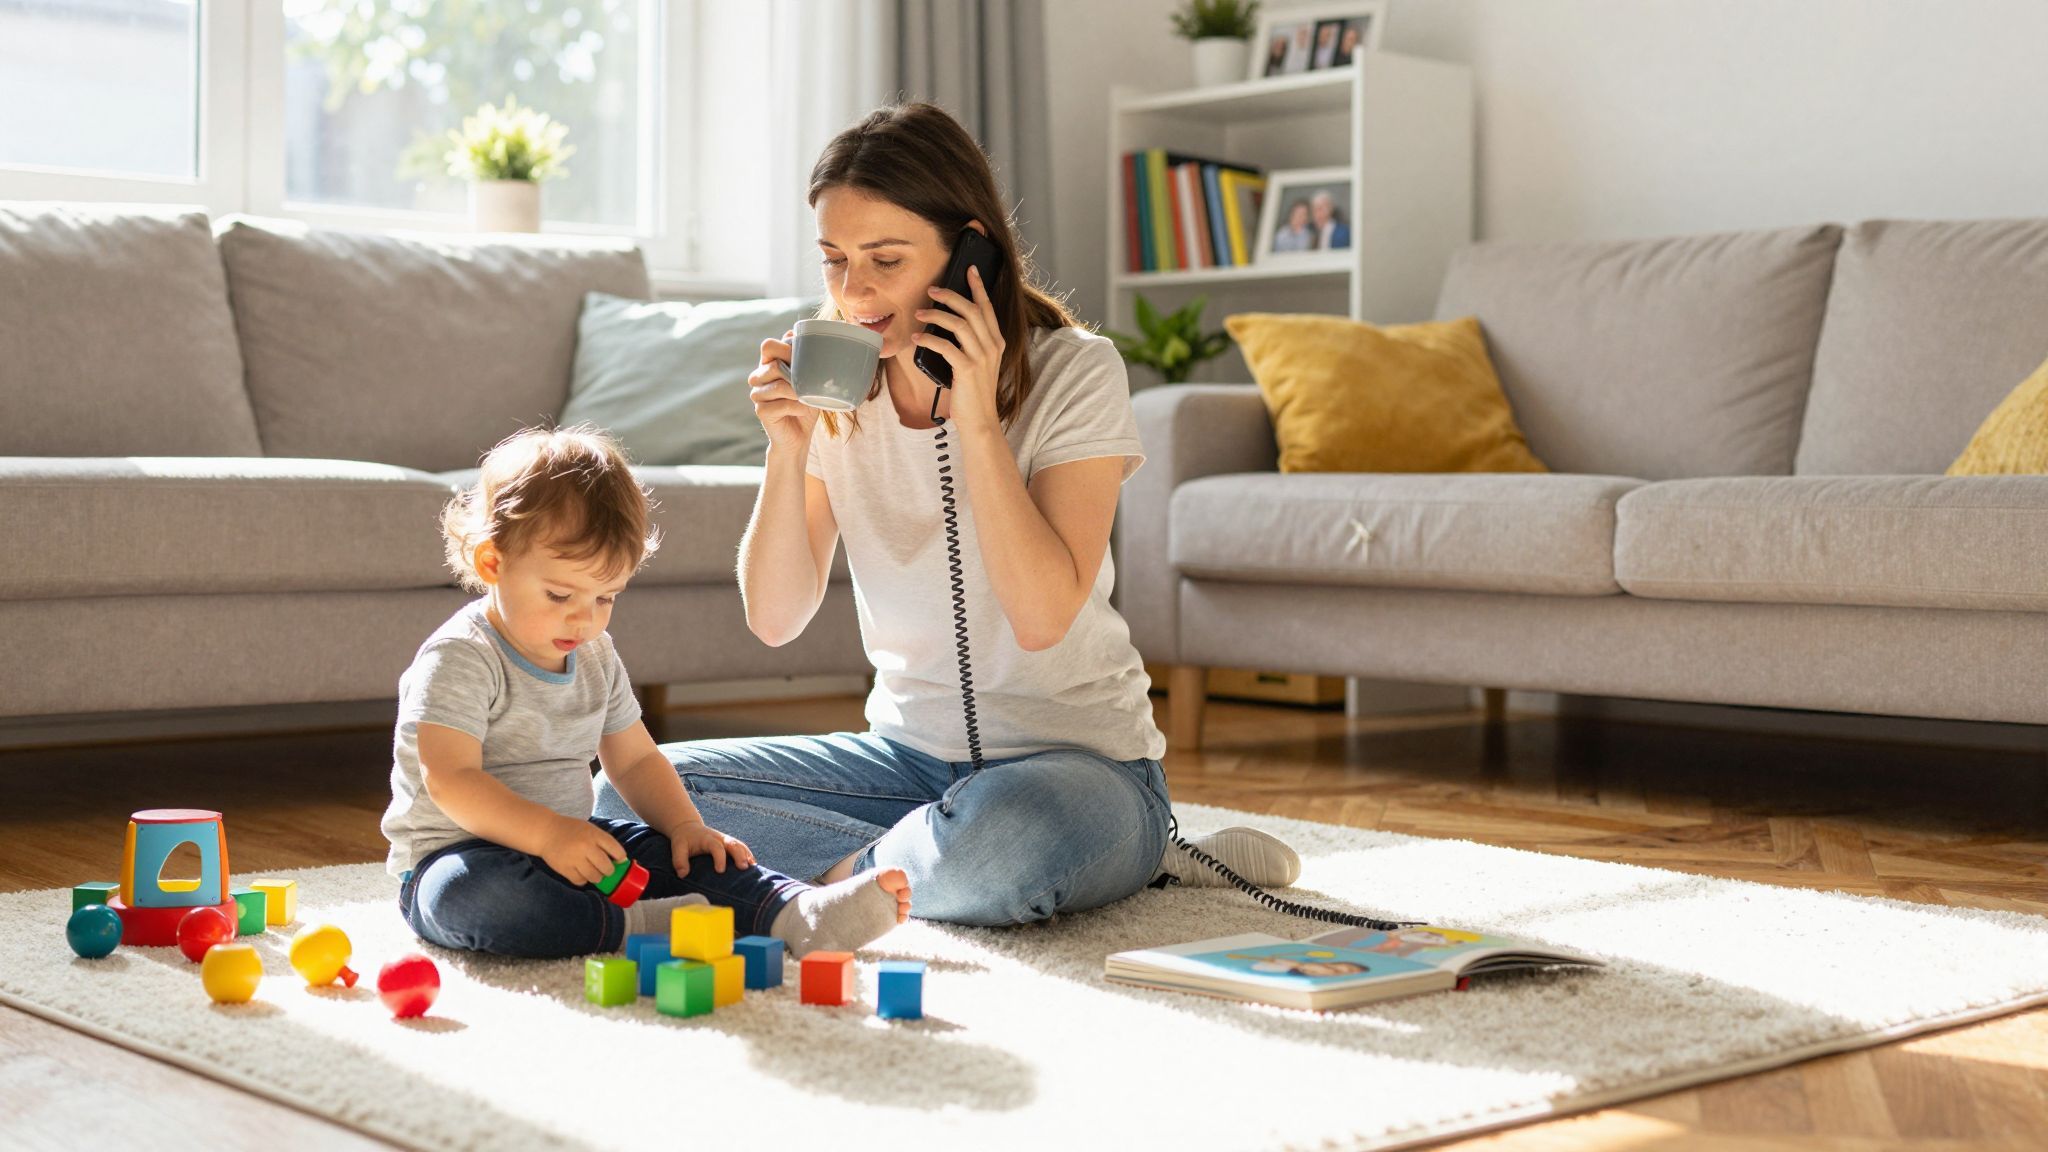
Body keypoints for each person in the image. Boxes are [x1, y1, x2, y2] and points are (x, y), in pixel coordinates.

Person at [591, 102, 1303, 927]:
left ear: (968, 253)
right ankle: (915, 862)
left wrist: (973, 419)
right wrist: (787, 452)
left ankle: (1098, 847)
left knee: (1010, 840)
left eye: (884, 261)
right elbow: (776, 619)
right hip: (901, 762)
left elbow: (1040, 618)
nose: (852, 293)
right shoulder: (840, 389)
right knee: (631, 793)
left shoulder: (1077, 373)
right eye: (833, 262)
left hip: (1077, 768)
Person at [384, 425, 911, 959]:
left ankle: (796, 912)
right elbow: (450, 779)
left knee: (689, 856)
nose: (583, 617)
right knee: (478, 899)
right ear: (492, 563)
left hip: (576, 847)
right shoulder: (461, 657)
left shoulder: (593, 653)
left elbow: (634, 760)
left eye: (606, 597)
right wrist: (548, 836)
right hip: (461, 855)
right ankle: (633, 927)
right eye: (561, 593)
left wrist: (685, 826)